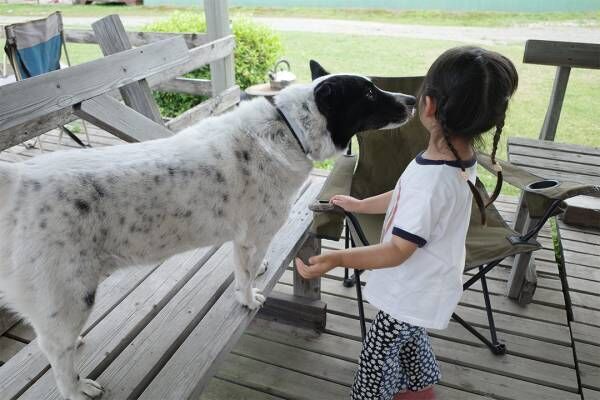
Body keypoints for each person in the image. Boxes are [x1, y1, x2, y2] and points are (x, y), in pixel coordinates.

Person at [295, 46, 519, 400]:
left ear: (428, 106)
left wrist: (338, 259)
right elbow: (404, 193)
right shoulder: (455, 156)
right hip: (427, 281)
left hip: (412, 288)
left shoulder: (436, 181)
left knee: (376, 357)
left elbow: (398, 250)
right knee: (410, 337)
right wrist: (362, 203)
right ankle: (421, 388)